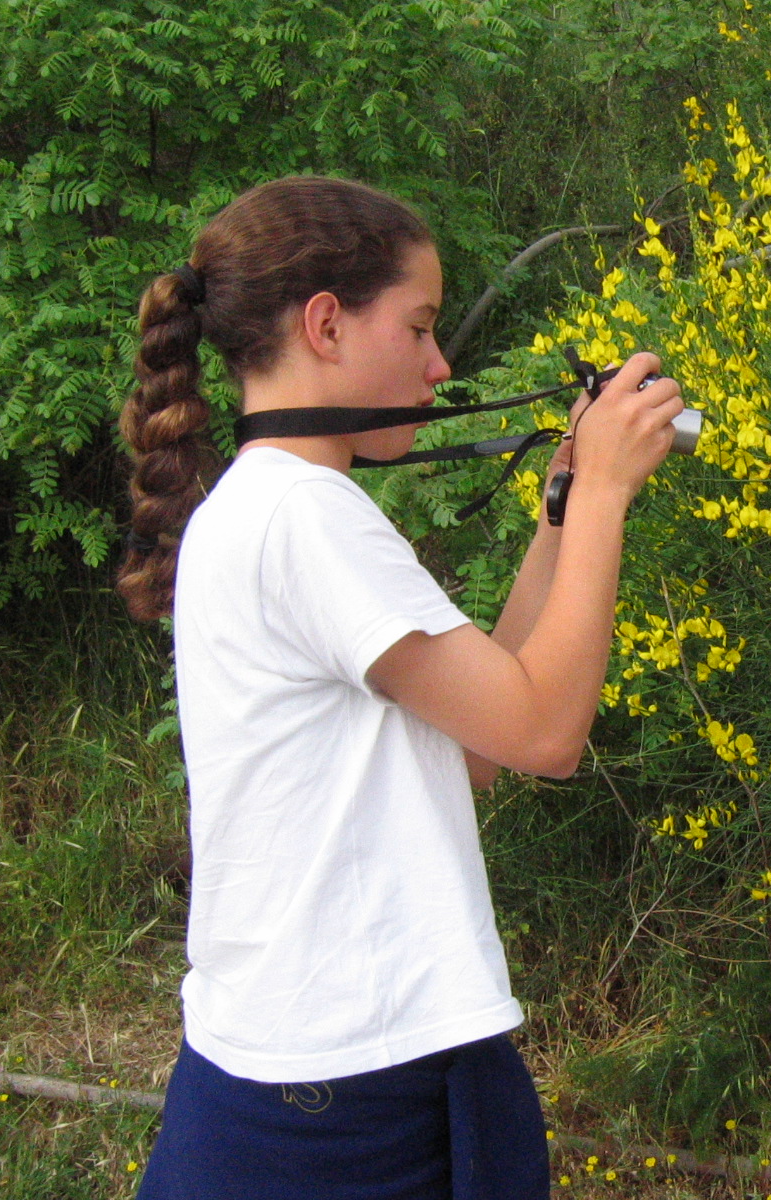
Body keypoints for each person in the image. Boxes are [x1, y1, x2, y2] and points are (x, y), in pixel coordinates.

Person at [117, 175, 683, 1198]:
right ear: (326, 324)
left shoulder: (270, 505)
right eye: (419, 327)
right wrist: (605, 489)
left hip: (306, 1071)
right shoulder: (305, 515)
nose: (440, 364)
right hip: (340, 1097)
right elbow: (550, 733)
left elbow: (485, 739)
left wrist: (562, 505)